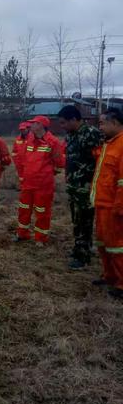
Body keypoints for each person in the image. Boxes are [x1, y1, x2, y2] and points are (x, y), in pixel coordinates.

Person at [58, 105, 102, 269]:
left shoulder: (92, 134)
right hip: (74, 186)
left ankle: (82, 256)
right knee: (77, 219)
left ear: (74, 120)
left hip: (86, 186)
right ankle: (83, 247)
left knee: (83, 220)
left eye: (63, 123)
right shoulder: (70, 136)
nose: (61, 127)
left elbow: (100, 159)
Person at [16, 115, 65, 246]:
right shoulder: (29, 140)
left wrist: (48, 174)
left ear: (41, 125)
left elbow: (60, 163)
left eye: (33, 123)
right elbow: (24, 159)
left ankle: (40, 238)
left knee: (42, 211)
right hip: (28, 182)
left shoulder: (53, 142)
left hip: (43, 185)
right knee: (24, 208)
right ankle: (22, 234)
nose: (30, 125)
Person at [90, 107, 123, 298]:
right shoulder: (108, 144)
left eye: (103, 123)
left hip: (114, 207)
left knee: (117, 245)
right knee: (103, 243)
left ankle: (121, 284)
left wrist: (120, 206)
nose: (99, 127)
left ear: (116, 123)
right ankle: (110, 276)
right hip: (102, 204)